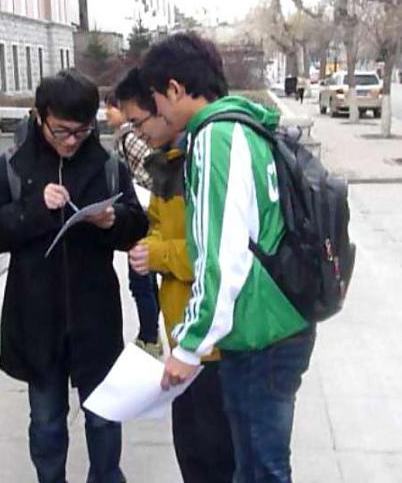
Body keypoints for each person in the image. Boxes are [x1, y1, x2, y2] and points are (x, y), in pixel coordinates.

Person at [141, 32, 315, 483]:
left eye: (156, 99)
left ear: (175, 89)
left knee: (260, 469)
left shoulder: (216, 138)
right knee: (258, 465)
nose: (157, 112)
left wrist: (190, 345)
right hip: (276, 323)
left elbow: (220, 255)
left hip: (262, 333)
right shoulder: (244, 125)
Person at [0, 69, 148, 483]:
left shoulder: (107, 166)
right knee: (47, 422)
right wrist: (35, 208)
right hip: (37, 317)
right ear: (39, 116)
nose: (71, 141)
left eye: (81, 132)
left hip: (95, 316)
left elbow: (137, 225)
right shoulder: (11, 168)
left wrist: (112, 221)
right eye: (61, 131)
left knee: (104, 417)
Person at [115, 67, 235, 483]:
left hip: (214, 343)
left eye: (139, 121)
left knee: (217, 458)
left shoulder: (205, 162)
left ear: (164, 104)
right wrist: (143, 244)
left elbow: (220, 252)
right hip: (183, 336)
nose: (136, 133)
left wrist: (159, 255)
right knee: (192, 454)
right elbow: (158, 226)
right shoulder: (166, 163)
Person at [103, 94, 162, 357]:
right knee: (145, 279)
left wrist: (136, 191)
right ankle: (151, 333)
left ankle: (149, 336)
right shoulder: (126, 137)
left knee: (140, 281)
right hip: (145, 215)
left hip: (143, 217)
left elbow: (155, 175)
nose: (107, 113)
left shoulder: (130, 139)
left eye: (112, 108)